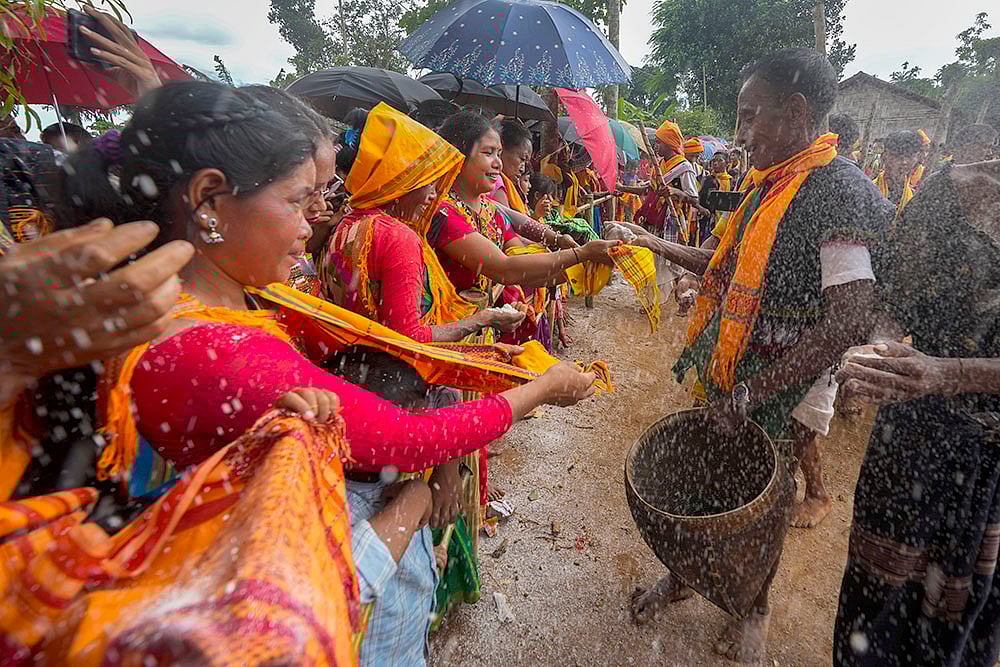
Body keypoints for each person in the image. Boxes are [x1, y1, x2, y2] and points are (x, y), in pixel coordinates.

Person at [0, 80, 599, 664]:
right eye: (296, 199)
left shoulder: (239, 295)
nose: (311, 221)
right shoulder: (212, 348)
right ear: (208, 202)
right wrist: (539, 389)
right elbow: (404, 431)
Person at [629, 47, 892, 662]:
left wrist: (758, 390)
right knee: (707, 477)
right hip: (733, 367)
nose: (740, 136)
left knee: (762, 498)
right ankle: (687, 578)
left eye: (750, 118)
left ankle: (755, 607)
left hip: (781, 380)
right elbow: (723, 268)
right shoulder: (770, 187)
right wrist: (649, 242)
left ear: (797, 112)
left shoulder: (837, 192)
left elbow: (849, 315)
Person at [833, 159, 1000, 667]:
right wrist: (875, 355)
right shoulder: (945, 191)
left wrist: (947, 374)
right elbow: (896, 303)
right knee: (874, 606)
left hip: (986, 458)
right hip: (908, 442)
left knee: (958, 613)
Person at [322, 102, 524, 343]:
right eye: (428, 183)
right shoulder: (397, 237)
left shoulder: (347, 222)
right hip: (398, 369)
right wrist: (485, 318)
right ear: (401, 181)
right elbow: (408, 338)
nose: (433, 195)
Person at [429, 110, 614, 303]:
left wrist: (586, 264)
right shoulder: (445, 214)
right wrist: (581, 254)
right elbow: (505, 269)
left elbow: (525, 268)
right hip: (454, 323)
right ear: (458, 155)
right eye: (487, 153)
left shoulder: (489, 209)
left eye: (499, 154)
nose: (498, 164)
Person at [875, 130, 923, 218]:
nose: (904, 162)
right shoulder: (871, 189)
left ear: (917, 157)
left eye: (909, 156)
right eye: (897, 156)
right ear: (884, 157)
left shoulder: (913, 196)